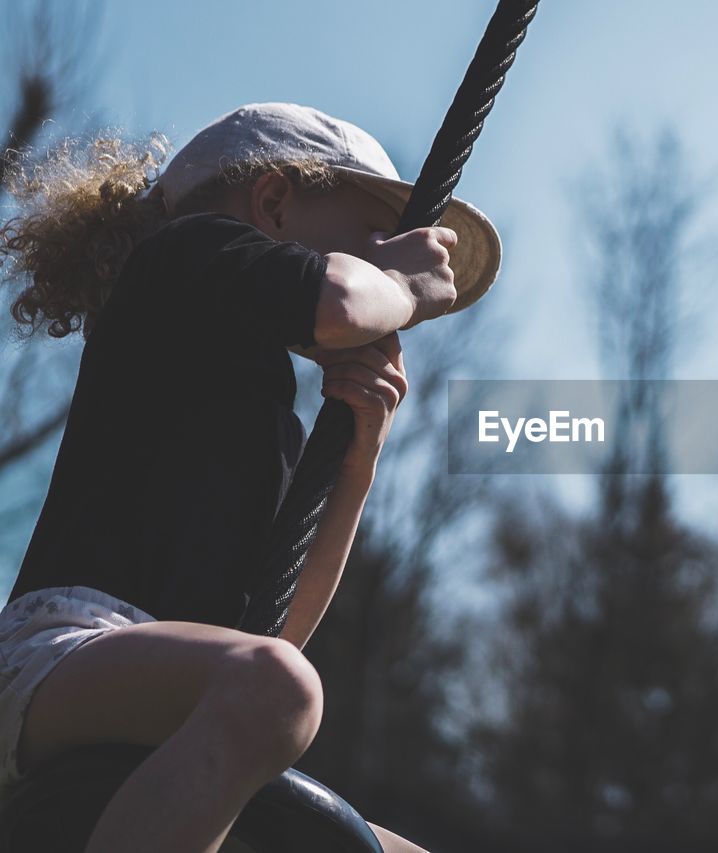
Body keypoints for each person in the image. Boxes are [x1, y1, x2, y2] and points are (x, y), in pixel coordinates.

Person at [0, 102, 501, 852]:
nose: (382, 257)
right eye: (371, 238)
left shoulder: (263, 407)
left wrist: (360, 457)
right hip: (56, 654)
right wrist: (403, 285)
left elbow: (275, 632)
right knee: (279, 691)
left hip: (159, 692)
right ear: (270, 204)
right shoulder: (183, 257)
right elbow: (335, 299)